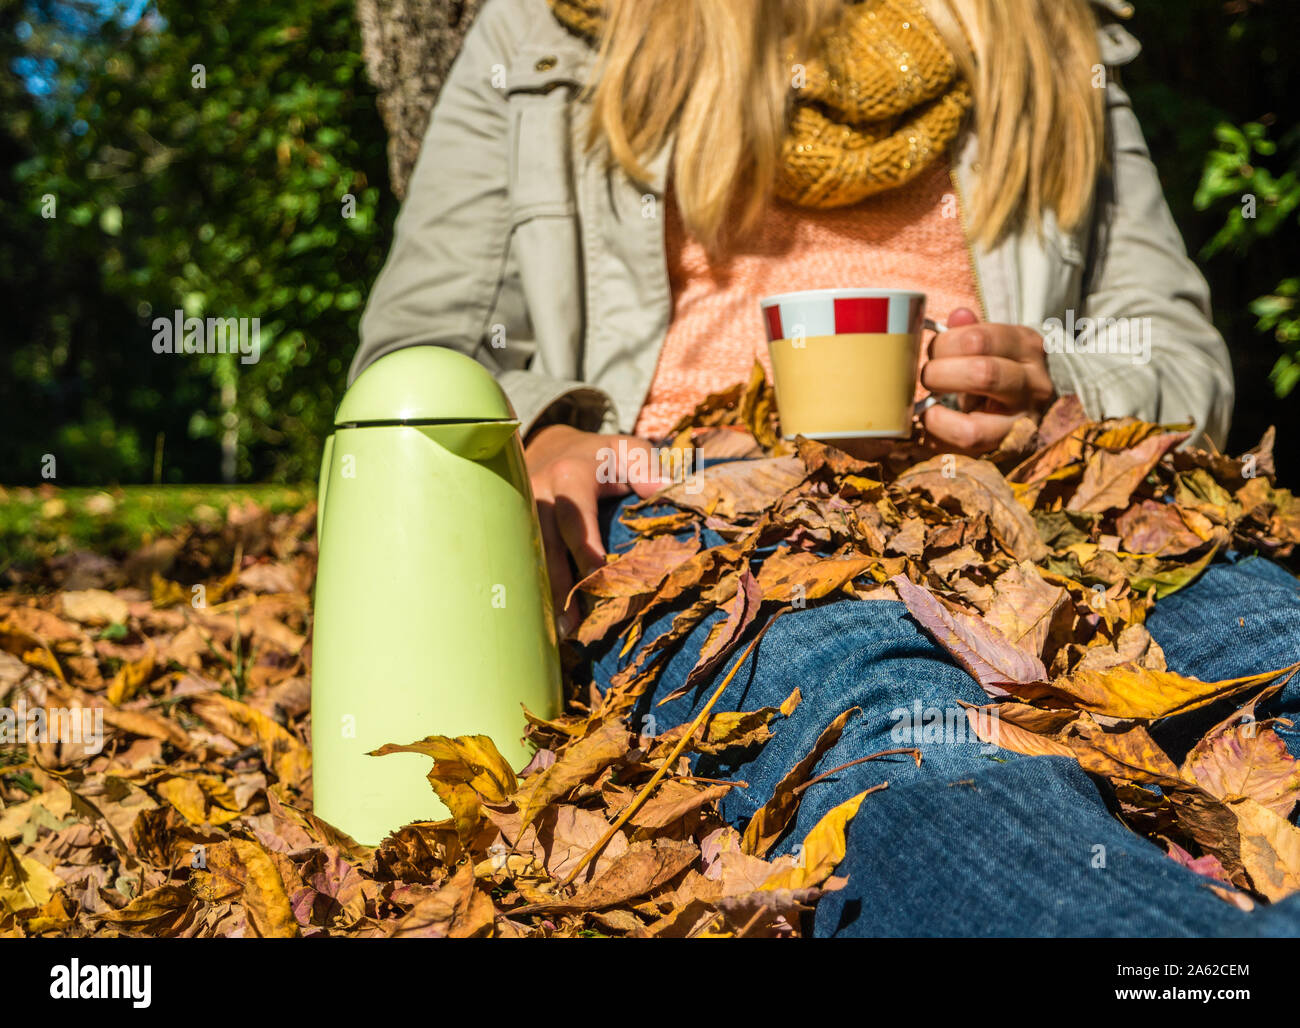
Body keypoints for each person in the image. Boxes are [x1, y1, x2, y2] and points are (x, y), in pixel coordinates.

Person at [352, 0, 1300, 935]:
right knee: (905, 748)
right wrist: (545, 427)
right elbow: (413, 352)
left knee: (1276, 662)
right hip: (705, 521)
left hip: (1037, 511)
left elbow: (1184, 357)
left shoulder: (1052, 27)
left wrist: (1055, 387)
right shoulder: (554, 24)